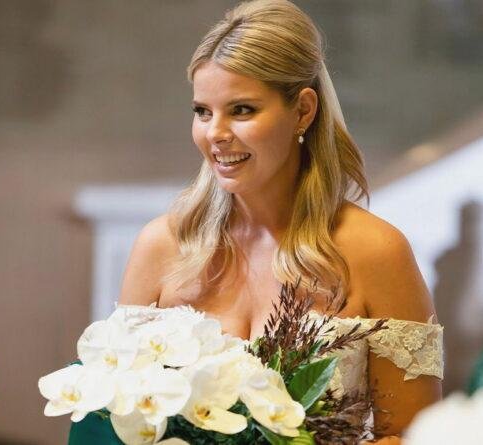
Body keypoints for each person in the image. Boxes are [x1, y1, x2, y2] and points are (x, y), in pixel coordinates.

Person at [117, 0, 443, 442]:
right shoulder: (161, 245)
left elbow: (416, 435)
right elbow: (119, 413)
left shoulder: (377, 252)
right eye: (203, 111)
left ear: (303, 111)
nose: (215, 133)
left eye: (242, 110)